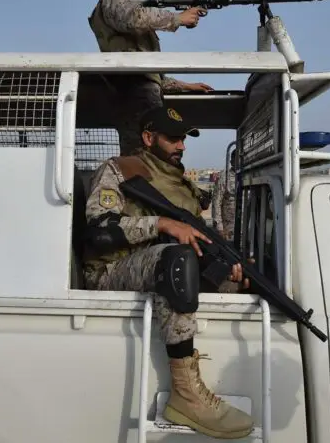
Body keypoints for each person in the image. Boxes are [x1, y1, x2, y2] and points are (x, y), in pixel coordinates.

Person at [82, 106, 255, 439]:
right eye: (173, 138)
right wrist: (161, 223)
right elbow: (99, 230)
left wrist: (228, 268)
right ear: (149, 138)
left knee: (241, 280)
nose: (182, 146)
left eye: (184, 139)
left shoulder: (180, 183)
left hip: (162, 267)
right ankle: (185, 393)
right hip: (112, 270)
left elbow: (198, 240)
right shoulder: (119, 169)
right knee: (176, 259)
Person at [88, 0, 213, 156]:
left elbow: (150, 76)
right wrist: (177, 18)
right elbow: (133, 18)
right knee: (140, 161)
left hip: (143, 99)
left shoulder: (131, 6)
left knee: (153, 162)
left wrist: (186, 86)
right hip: (132, 98)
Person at [211, 149, 237, 241]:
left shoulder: (248, 175)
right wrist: (219, 227)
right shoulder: (224, 177)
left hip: (245, 228)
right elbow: (216, 201)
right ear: (231, 161)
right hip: (228, 228)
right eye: (237, 159)